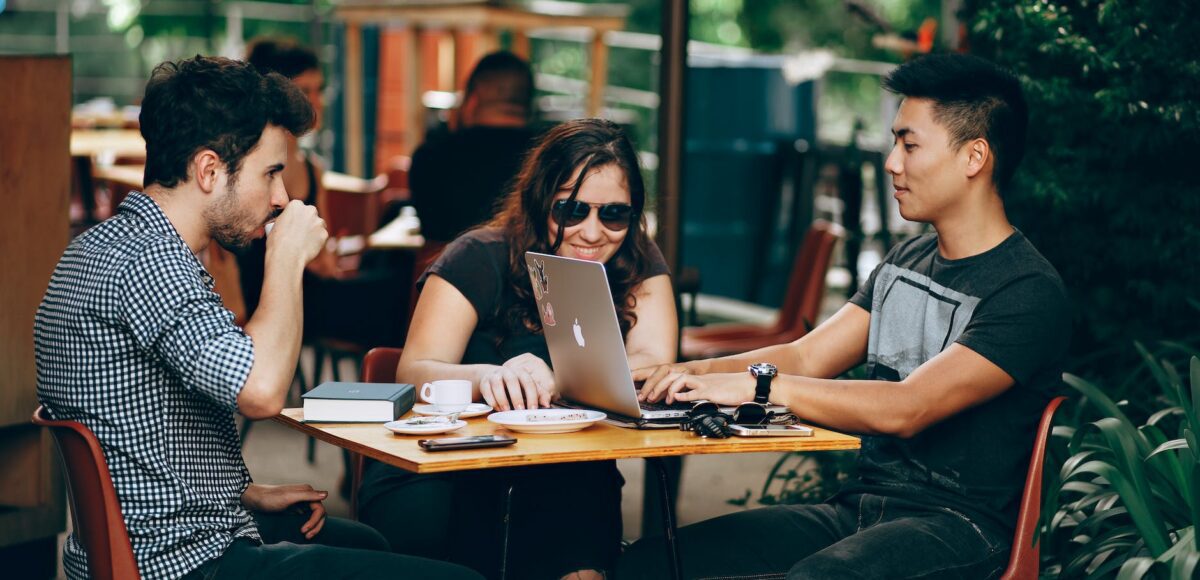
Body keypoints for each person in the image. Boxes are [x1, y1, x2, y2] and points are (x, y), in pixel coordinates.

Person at [619, 54, 1070, 579]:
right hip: (859, 511)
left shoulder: (1026, 290)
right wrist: (688, 374)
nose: (891, 162)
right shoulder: (906, 261)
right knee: (651, 564)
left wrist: (759, 388)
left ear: (974, 157)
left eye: (909, 143)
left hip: (961, 527)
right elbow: (806, 354)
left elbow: (908, 406)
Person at [34, 55, 480, 580]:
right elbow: (263, 392)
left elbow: (134, 428)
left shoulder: (105, 247)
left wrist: (241, 494)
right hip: (181, 563)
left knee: (371, 542)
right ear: (208, 170)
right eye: (270, 173)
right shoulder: (152, 263)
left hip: (153, 540)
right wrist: (288, 257)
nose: (282, 197)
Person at [358, 118, 678, 579]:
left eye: (614, 214)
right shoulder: (479, 255)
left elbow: (653, 360)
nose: (593, 232)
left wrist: (561, 381)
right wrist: (490, 377)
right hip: (450, 463)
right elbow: (412, 371)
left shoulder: (636, 258)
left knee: (579, 478)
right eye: (571, 211)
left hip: (567, 465)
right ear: (539, 202)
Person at [410, 50, 539, 243]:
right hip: (527, 270)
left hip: (447, 270)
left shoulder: (431, 156)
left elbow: (430, 232)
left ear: (472, 100)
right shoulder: (549, 156)